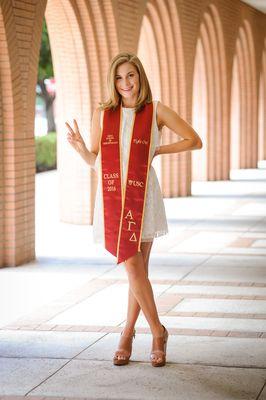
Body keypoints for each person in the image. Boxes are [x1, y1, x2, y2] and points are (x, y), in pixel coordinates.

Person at [65, 52, 202, 367]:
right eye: (119, 77)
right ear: (112, 81)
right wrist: (81, 150)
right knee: (134, 269)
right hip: (114, 200)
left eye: (131, 75)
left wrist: (157, 149)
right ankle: (156, 331)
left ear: (140, 77)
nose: (125, 83)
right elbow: (97, 163)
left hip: (143, 198)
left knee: (137, 271)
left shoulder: (156, 111)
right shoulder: (104, 114)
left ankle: (128, 334)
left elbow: (195, 141)